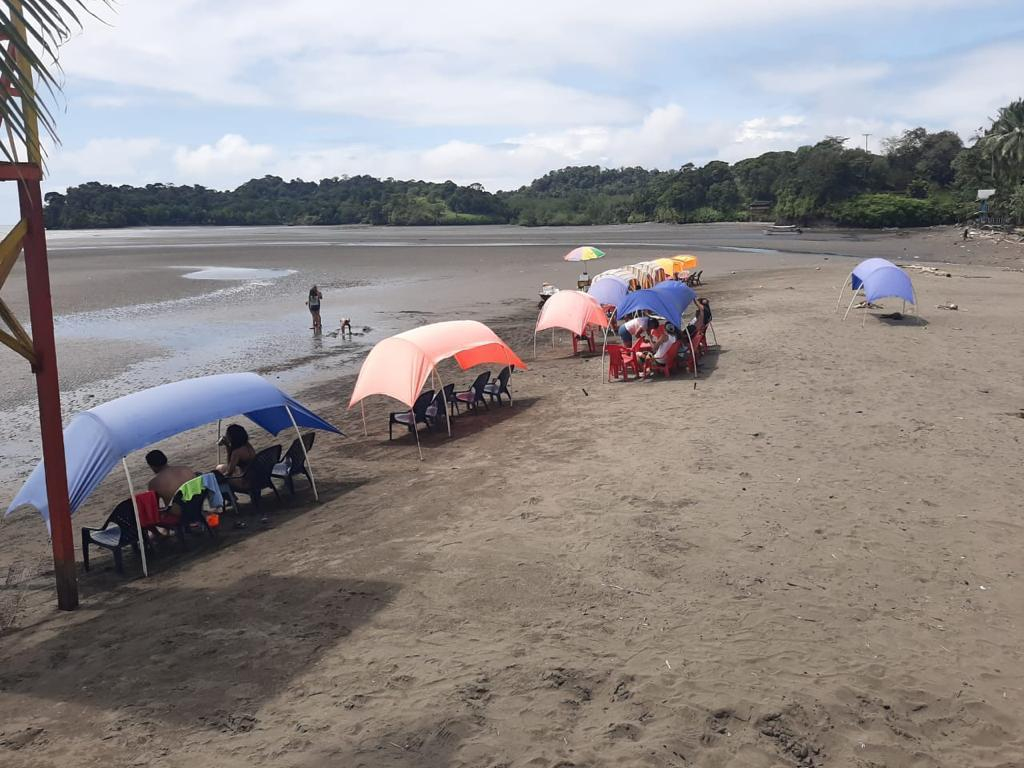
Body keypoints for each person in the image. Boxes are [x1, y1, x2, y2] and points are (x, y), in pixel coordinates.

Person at [216, 423, 256, 490]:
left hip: (247, 481)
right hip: (256, 475)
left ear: (232, 437)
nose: (226, 436)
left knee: (219, 479)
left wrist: (227, 446)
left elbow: (229, 471)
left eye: (227, 435)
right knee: (219, 467)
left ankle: (232, 498)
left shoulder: (236, 452)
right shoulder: (247, 445)